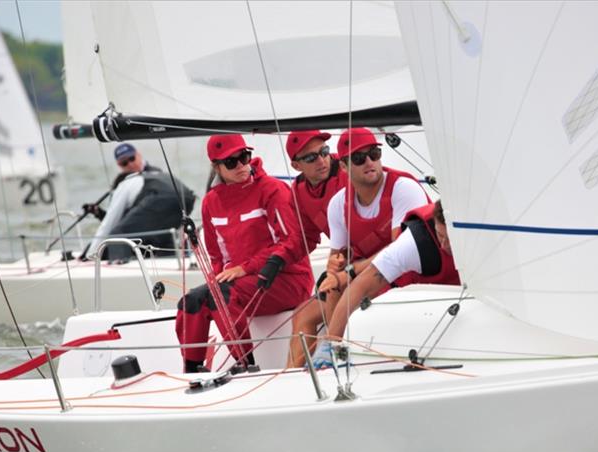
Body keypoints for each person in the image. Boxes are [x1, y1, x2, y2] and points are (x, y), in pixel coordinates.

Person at [288, 127, 429, 367]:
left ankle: (335, 351)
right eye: (359, 158)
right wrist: (335, 268)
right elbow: (335, 258)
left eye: (374, 153)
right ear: (343, 166)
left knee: (341, 285)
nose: (369, 162)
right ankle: (300, 374)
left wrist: (348, 273)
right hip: (367, 278)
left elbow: (400, 252)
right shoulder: (338, 203)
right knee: (312, 304)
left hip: (409, 276)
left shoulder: (403, 187)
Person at [176, 134, 314, 373]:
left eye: (244, 156)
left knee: (221, 295)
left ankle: (246, 365)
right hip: (244, 285)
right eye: (231, 162)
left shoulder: (272, 189)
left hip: (289, 279)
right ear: (217, 167)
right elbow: (217, 257)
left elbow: (291, 240)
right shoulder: (210, 202)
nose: (241, 165)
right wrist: (216, 282)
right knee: (191, 301)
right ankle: (192, 370)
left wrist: (245, 268)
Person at [313, 200, 460, 367]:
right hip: (419, 305)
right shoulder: (416, 242)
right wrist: (331, 344)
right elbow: (360, 286)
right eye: (440, 235)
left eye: (450, 239)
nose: (443, 245)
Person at [284, 130, 348, 367]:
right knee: (302, 315)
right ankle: (289, 380)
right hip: (343, 265)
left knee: (333, 291)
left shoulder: (348, 171)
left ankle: (336, 364)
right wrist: (274, 262)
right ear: (296, 164)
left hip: (367, 264)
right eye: (311, 158)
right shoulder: (298, 191)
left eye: (324, 152)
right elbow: (304, 239)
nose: (322, 161)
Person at [83, 143, 196, 261]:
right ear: (119, 165)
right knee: (164, 234)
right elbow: (132, 220)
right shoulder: (158, 174)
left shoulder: (125, 184)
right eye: (124, 163)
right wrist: (100, 213)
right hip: (187, 197)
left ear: (138, 155)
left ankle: (119, 265)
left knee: (118, 235)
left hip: (161, 200)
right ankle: (173, 260)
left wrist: (91, 254)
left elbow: (111, 221)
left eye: (132, 158)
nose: (130, 164)